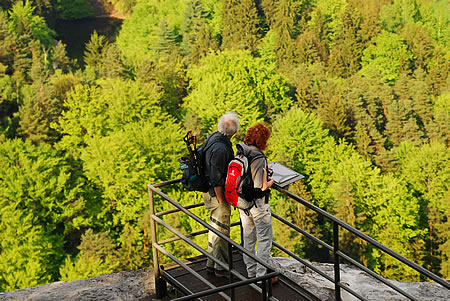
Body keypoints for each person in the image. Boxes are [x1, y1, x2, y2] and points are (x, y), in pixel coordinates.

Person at [237, 123, 278, 283]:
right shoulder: (259, 157)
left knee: (248, 237)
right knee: (264, 239)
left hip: (243, 203)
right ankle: (261, 277)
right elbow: (260, 187)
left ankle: (251, 273)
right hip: (258, 205)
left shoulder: (242, 151)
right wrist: (271, 181)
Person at [202, 112, 239, 278]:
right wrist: (223, 200)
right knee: (222, 232)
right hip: (216, 195)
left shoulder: (214, 138)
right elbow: (217, 178)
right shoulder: (221, 148)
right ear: (234, 132)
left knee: (215, 228)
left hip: (209, 192)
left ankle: (212, 264)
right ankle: (221, 269)